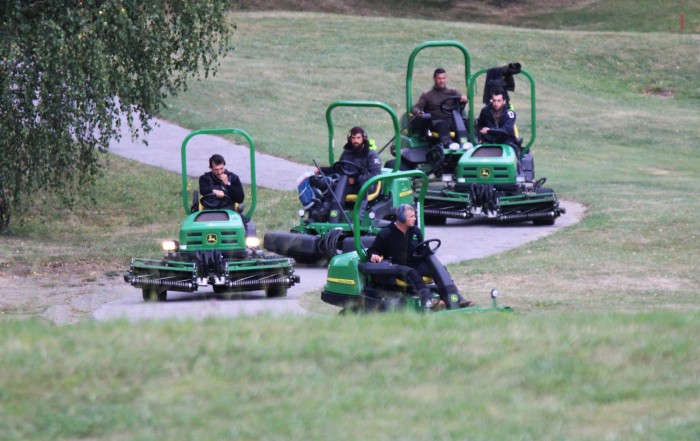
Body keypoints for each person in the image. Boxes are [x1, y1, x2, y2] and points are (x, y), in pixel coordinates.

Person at [366, 204, 474, 310]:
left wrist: (427, 254)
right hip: (397, 267)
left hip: (415, 264)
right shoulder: (386, 233)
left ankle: (455, 298)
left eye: (414, 215)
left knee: (440, 269)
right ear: (402, 218)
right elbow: (373, 250)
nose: (414, 218)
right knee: (412, 272)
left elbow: (421, 249)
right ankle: (429, 301)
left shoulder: (415, 231)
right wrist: (373, 255)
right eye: (411, 216)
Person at [306, 126, 382, 221]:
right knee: (333, 187)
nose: (356, 141)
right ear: (350, 139)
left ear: (364, 138)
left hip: (366, 185)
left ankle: (358, 218)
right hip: (348, 184)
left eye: (358, 138)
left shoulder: (371, 154)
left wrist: (356, 179)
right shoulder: (347, 153)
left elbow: (376, 174)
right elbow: (338, 168)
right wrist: (321, 170)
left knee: (363, 186)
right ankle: (325, 214)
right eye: (353, 138)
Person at [411, 68, 468, 148]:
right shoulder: (428, 94)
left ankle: (470, 143)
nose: (442, 81)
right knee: (442, 124)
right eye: (439, 78)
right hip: (436, 121)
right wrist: (419, 112)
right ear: (434, 78)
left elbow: (462, 100)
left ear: (446, 78)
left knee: (467, 123)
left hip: (450, 119)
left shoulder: (452, 92)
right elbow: (416, 108)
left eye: (443, 78)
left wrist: (464, 99)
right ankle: (448, 144)